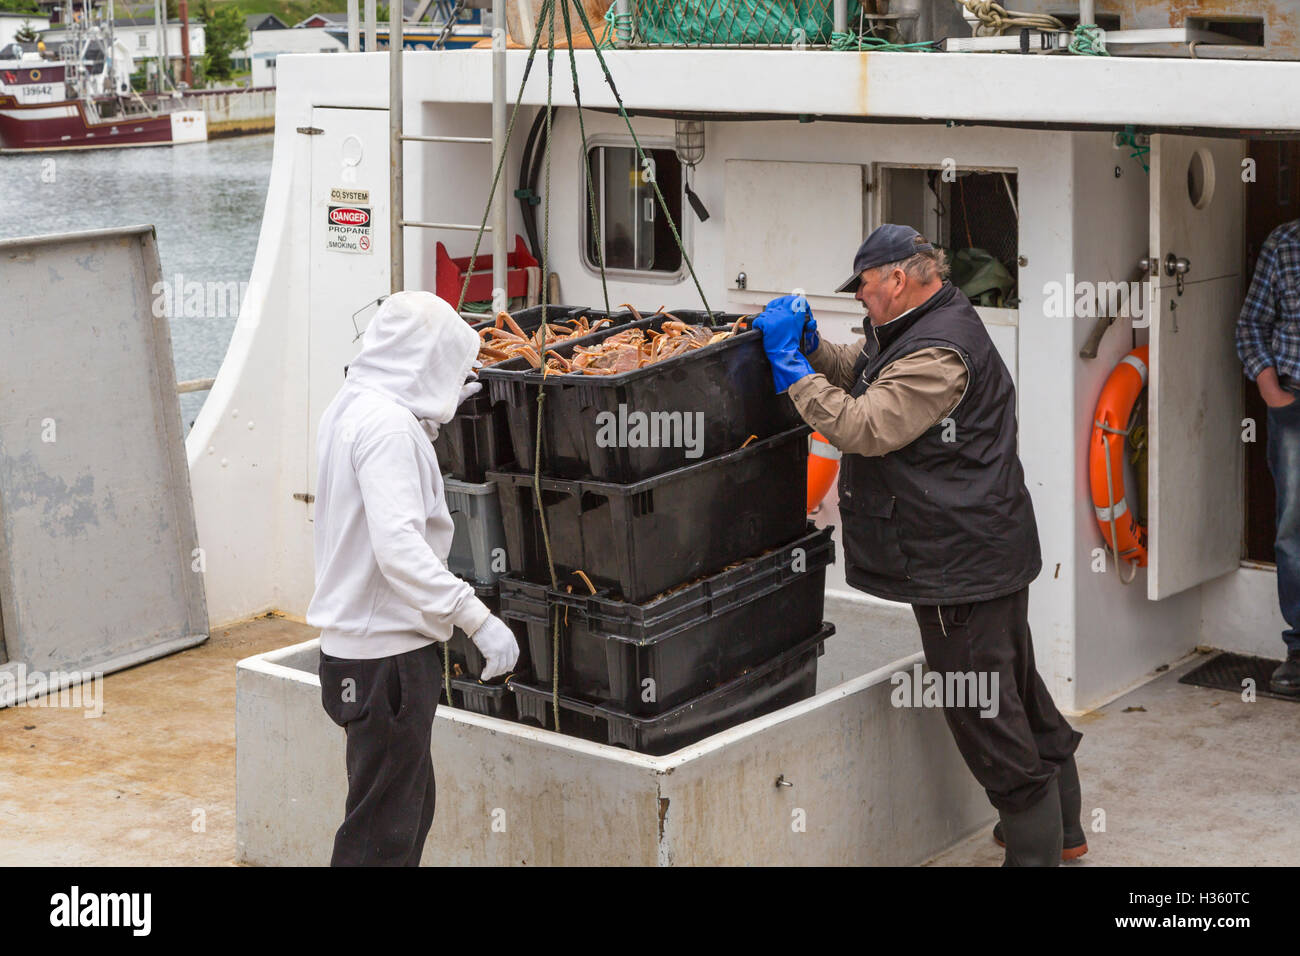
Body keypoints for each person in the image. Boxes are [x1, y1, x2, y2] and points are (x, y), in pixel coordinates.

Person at [754, 224, 1085, 866]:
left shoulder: (939, 355)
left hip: (955, 563)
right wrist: (816, 348)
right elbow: (868, 372)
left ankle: (1035, 850)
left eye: (866, 287)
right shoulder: (930, 321)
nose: (861, 299)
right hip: (985, 552)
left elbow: (864, 424)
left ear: (899, 280)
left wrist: (793, 373)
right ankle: (1065, 830)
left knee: (981, 707)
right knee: (1013, 686)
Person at [306, 290, 519, 866]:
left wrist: (430, 416)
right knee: (381, 835)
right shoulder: (390, 432)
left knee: (402, 809)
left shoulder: (349, 405)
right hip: (388, 662)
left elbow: (374, 483)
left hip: (352, 652)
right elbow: (399, 548)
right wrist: (476, 617)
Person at [1236, 218, 1300, 697]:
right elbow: (1251, 326)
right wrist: (1271, 391)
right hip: (1294, 406)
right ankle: (1299, 650)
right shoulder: (1284, 242)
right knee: (1292, 529)